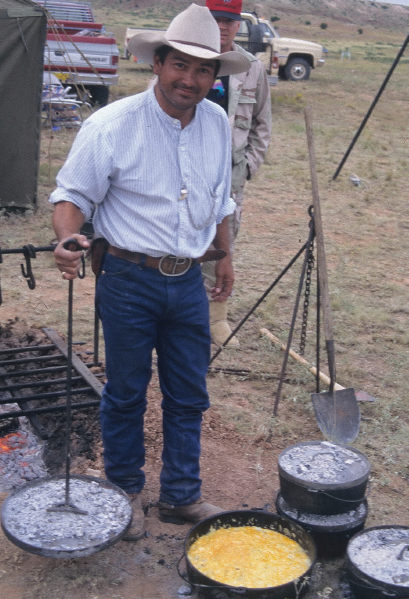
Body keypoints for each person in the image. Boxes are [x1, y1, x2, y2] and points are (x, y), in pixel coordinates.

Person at [50, 4, 250, 541]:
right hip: (127, 279)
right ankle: (124, 492)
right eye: (180, 65)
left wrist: (224, 253)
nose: (190, 79)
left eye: (203, 69)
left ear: (215, 76)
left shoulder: (216, 121)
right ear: (157, 64)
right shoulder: (111, 125)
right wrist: (67, 238)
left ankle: (181, 496)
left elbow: (221, 198)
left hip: (187, 281)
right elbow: (71, 195)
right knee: (127, 391)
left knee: (189, 393)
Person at [202, 0, 272, 346]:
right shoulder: (190, 58)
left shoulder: (251, 67)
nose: (224, 27)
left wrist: (249, 167)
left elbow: (262, 123)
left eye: (230, 21)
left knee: (225, 242)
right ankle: (184, 314)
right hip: (189, 169)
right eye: (216, 19)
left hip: (231, 174)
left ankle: (217, 318)